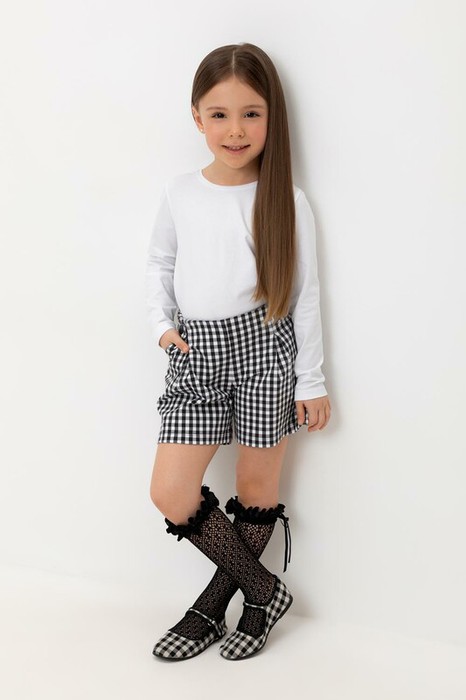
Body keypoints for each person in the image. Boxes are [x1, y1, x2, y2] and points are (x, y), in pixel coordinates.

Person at [144, 42, 331, 661]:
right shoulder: (179, 192)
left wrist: (311, 379)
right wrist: (161, 326)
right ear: (196, 116)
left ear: (272, 116)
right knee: (171, 491)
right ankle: (264, 590)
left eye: (252, 113)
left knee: (255, 489)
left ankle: (217, 609)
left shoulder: (286, 199)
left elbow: (304, 294)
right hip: (197, 353)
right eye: (219, 114)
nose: (235, 130)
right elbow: (159, 262)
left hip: (264, 349)